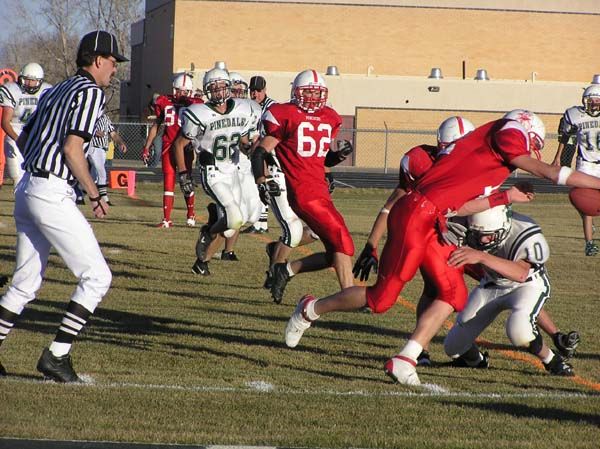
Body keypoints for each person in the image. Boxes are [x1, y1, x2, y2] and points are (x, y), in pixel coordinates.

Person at [284, 109, 600, 386]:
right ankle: (310, 309)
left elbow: (460, 206)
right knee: (381, 300)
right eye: (533, 143)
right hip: (416, 215)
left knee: (453, 294)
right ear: (525, 130)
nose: (533, 150)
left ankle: (406, 359)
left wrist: (506, 197)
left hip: (433, 219)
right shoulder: (508, 133)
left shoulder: (488, 156)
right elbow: (546, 171)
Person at [0, 30, 125, 382]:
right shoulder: (89, 92)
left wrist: (38, 170)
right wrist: (96, 193)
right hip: (50, 191)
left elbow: (25, 136)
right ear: (98, 60)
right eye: (113, 63)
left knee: (24, 283)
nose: (114, 70)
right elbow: (72, 149)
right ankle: (57, 355)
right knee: (97, 277)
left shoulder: (57, 89)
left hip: (28, 187)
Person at [251, 69, 354, 303]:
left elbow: (321, 158)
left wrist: (338, 156)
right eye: (307, 92)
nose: (312, 98)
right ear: (296, 92)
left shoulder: (329, 116)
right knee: (343, 241)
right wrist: (261, 180)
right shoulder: (285, 114)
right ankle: (349, 295)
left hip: (320, 191)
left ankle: (285, 270)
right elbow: (260, 152)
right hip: (304, 193)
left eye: (317, 93)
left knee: (333, 252)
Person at [444, 205, 575, 376]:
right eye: (479, 235)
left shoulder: (526, 232)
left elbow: (521, 273)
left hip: (526, 285)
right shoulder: (469, 225)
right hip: (491, 284)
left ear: (505, 227)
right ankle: (477, 361)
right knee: (453, 346)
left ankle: (552, 360)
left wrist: (482, 256)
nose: (483, 241)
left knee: (519, 331)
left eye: (489, 236)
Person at [174, 68, 257, 275]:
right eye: (214, 88)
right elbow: (179, 144)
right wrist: (184, 174)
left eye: (222, 87)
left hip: (234, 169)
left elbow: (244, 140)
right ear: (207, 90)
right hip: (213, 172)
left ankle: (201, 262)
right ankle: (208, 231)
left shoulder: (242, 109)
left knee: (232, 224)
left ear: (229, 87)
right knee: (234, 217)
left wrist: (251, 149)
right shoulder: (198, 112)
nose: (219, 92)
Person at [142, 73, 202, 228]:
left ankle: (190, 214)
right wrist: (147, 147)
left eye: (184, 91)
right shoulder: (165, 102)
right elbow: (156, 125)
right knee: (168, 181)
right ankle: (166, 219)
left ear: (189, 91)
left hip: (185, 148)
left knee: (186, 181)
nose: (181, 93)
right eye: (178, 90)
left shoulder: (195, 104)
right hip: (168, 146)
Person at [551, 84, 600, 256]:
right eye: (591, 100)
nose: (594, 103)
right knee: (585, 203)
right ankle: (589, 243)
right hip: (585, 163)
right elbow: (566, 138)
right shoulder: (574, 115)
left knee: (588, 203)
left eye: (597, 100)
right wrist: (558, 158)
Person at [0, 63, 52, 185]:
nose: (29, 83)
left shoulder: (47, 90)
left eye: (33, 80)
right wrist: (18, 139)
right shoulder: (13, 90)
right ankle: (19, 194)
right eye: (27, 79)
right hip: (16, 129)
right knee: (17, 173)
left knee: (39, 171)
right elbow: (5, 122)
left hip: (36, 131)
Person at [242, 75, 277, 234]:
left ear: (264, 90)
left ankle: (260, 223)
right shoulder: (251, 106)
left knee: (263, 183)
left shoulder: (272, 107)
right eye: (252, 91)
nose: (254, 94)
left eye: (258, 91)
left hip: (269, 151)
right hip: (258, 150)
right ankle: (261, 223)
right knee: (259, 184)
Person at [87, 113, 127, 204]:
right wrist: (95, 132)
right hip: (93, 146)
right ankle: (104, 197)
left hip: (103, 148)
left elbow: (113, 134)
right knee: (102, 172)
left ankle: (81, 194)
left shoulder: (105, 117)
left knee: (93, 175)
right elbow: (85, 128)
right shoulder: (91, 115)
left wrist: (121, 143)